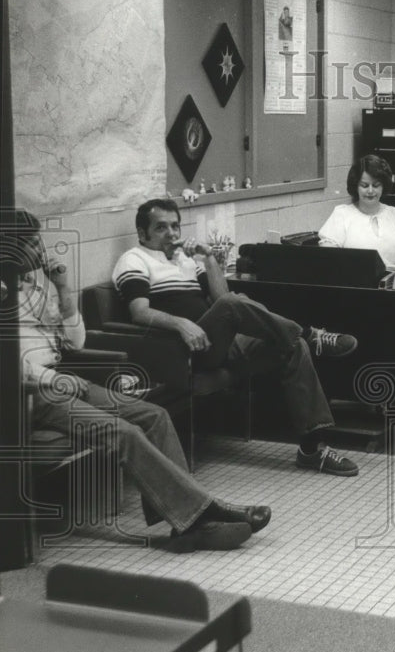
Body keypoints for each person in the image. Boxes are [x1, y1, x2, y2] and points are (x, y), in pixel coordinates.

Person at [2, 209, 271, 552]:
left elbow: (76, 342)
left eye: (36, 239)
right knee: (124, 433)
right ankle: (198, 516)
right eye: (27, 242)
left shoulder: (37, 285)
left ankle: (188, 520)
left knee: (153, 416)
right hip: (29, 394)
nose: (37, 248)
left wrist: (63, 289)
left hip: (61, 379)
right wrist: (46, 379)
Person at [112, 198, 360, 477]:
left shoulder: (183, 259)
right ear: (143, 233)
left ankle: (312, 449)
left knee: (291, 345)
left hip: (215, 341)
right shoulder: (133, 259)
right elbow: (139, 312)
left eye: (175, 226)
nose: (171, 234)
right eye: (161, 228)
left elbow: (220, 296)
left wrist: (207, 258)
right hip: (179, 351)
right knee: (235, 306)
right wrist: (181, 324)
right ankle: (309, 332)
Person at [318, 154, 395, 288]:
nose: (370, 191)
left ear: (383, 186)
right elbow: (329, 255)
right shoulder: (342, 214)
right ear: (356, 186)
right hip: (354, 290)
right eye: (364, 185)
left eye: (376, 185)